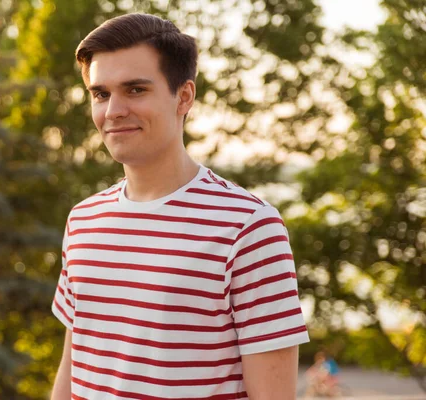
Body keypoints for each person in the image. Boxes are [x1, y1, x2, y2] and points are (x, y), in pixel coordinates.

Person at [50, 13, 310, 400]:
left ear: (184, 96)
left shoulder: (249, 227)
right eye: (100, 94)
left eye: (135, 90)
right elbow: (75, 364)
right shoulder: (83, 220)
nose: (113, 111)